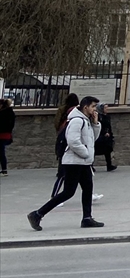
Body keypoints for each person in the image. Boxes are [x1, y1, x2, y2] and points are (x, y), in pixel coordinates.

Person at [27, 95, 104, 230]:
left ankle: (87, 218)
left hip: (83, 162)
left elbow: (92, 139)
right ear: (85, 107)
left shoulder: (86, 120)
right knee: (68, 192)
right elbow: (73, 141)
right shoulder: (77, 120)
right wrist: (85, 153)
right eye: (93, 106)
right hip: (74, 162)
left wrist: (96, 124)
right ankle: (37, 214)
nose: (94, 109)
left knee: (87, 189)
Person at [49, 92, 79, 197]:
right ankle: (55, 195)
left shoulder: (62, 109)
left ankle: (89, 194)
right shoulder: (77, 112)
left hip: (63, 136)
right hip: (67, 139)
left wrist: (59, 130)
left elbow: (56, 121)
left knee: (83, 175)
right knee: (64, 173)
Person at [95, 103, 117, 171]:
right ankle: (90, 166)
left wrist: (110, 134)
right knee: (95, 151)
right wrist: (104, 133)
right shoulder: (98, 117)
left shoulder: (107, 116)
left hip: (107, 137)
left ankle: (109, 165)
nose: (107, 109)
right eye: (105, 108)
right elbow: (98, 126)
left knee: (107, 151)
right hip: (100, 137)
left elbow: (109, 126)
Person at [0, 97, 14, 175]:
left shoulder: (4, 113)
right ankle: (4, 169)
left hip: (3, 135)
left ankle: (4, 169)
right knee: (1, 152)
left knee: (1, 152)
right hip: (6, 134)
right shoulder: (9, 112)